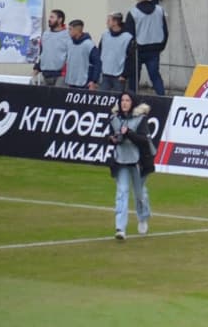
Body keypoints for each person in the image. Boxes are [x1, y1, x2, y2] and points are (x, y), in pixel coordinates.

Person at [107, 91, 154, 240]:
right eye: (122, 100)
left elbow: (144, 141)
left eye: (127, 100)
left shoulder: (140, 119)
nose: (124, 103)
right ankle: (120, 228)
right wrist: (113, 139)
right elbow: (110, 136)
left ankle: (143, 217)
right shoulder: (114, 118)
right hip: (121, 161)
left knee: (139, 194)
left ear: (132, 102)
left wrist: (129, 133)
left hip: (138, 162)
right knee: (122, 192)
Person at [125, 0, 168, 96]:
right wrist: (161, 46)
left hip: (138, 50)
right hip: (155, 49)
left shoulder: (133, 13)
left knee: (134, 77)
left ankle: (132, 98)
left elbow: (129, 35)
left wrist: (129, 51)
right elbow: (165, 30)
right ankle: (162, 97)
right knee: (155, 76)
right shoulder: (159, 10)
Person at [96, 13, 134, 92]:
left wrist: (124, 75)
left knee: (119, 100)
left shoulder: (127, 37)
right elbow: (100, 52)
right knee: (102, 99)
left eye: (109, 20)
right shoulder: (105, 35)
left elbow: (131, 58)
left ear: (115, 22)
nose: (106, 22)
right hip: (105, 75)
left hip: (119, 76)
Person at [35, 9, 70, 86]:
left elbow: (72, 54)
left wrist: (66, 71)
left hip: (61, 75)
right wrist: (36, 68)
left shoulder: (68, 35)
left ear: (60, 20)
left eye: (52, 17)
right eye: (49, 17)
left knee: (58, 97)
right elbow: (41, 53)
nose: (49, 19)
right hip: (45, 74)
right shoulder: (45, 34)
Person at [64, 20, 97, 90]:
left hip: (84, 82)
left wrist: (93, 80)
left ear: (77, 30)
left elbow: (97, 63)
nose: (68, 31)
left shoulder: (89, 44)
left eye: (70, 29)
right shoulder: (69, 43)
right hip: (71, 81)